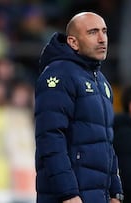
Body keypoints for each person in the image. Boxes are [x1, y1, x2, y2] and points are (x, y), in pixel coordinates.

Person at [34, 12, 123, 203]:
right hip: (70, 197)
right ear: (73, 42)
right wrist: (68, 194)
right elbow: (50, 138)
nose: (102, 39)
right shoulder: (58, 75)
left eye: (104, 31)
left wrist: (116, 192)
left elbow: (106, 141)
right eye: (92, 32)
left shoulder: (102, 82)